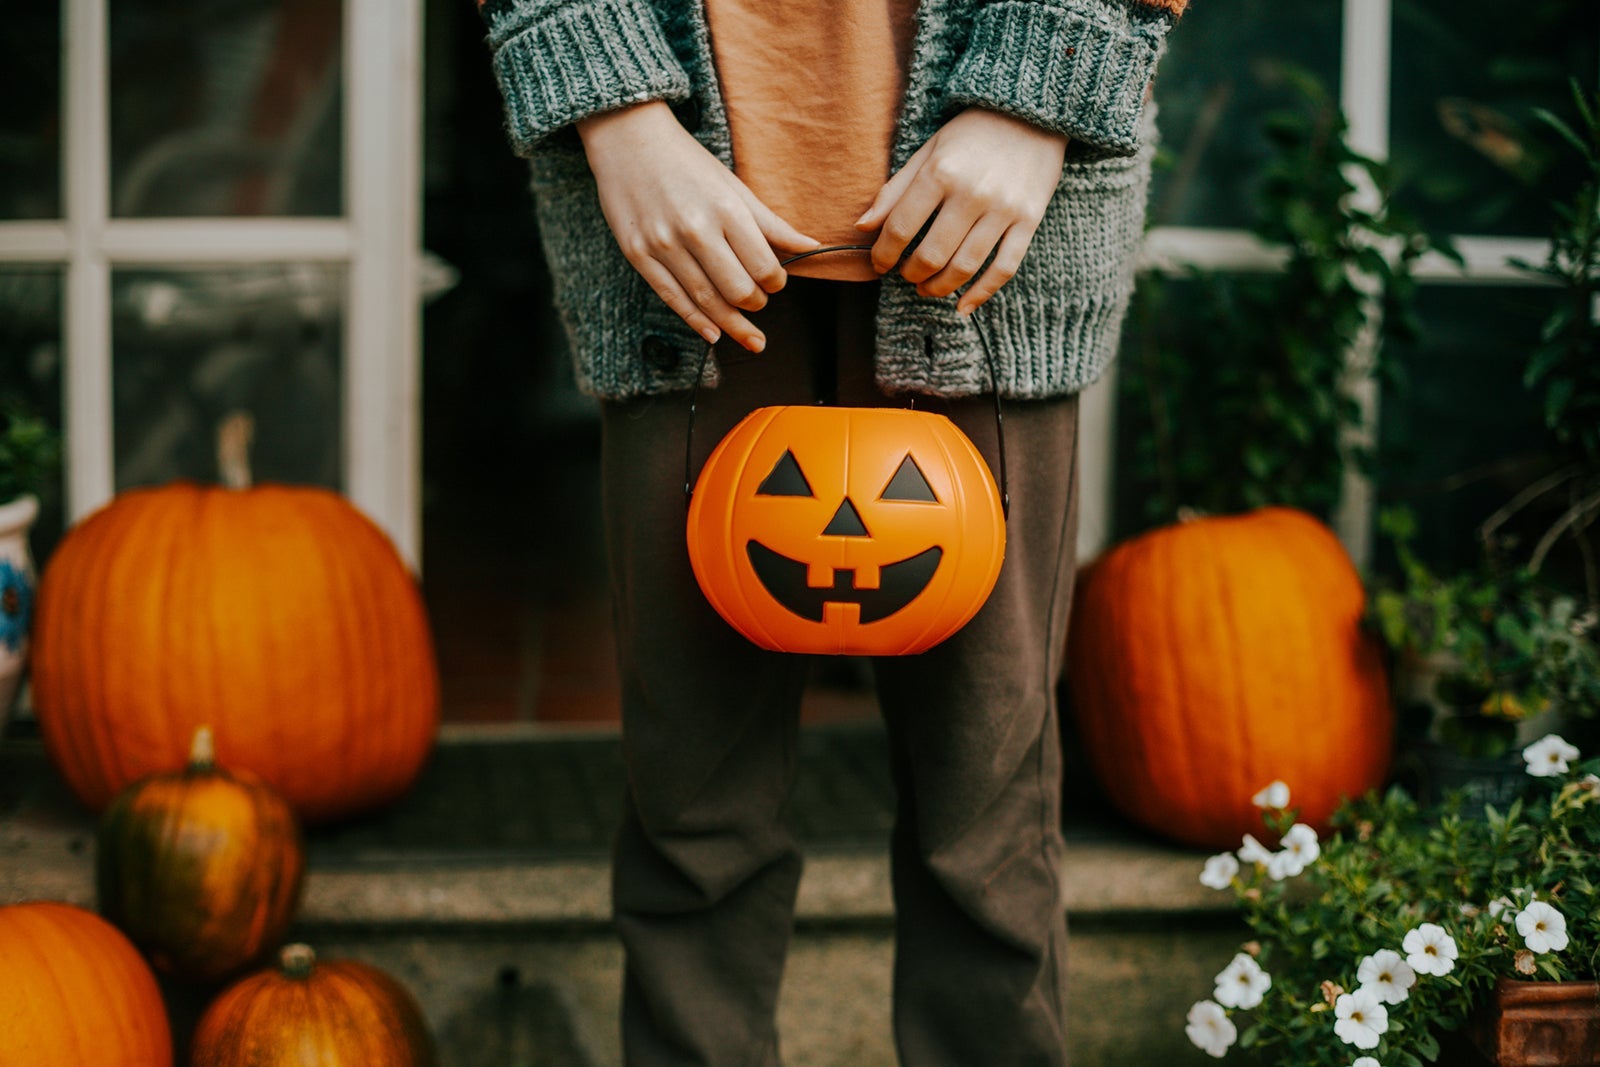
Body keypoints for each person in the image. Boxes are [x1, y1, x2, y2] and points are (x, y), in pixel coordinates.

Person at [475, 0, 1186, 1063]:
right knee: (690, 813)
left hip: (989, 236)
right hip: (681, 248)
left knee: (986, 819)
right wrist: (611, 103)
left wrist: (1042, 87)